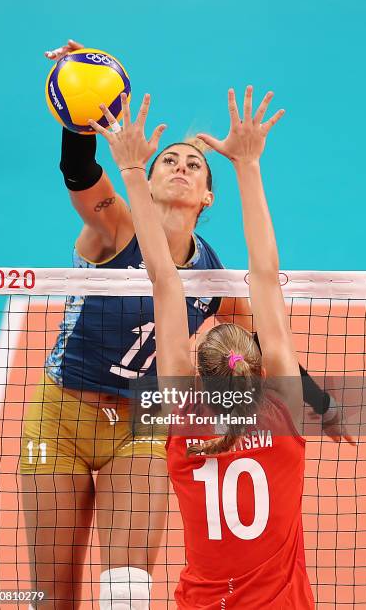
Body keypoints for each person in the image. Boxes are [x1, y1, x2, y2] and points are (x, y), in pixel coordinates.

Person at [20, 39, 351, 609]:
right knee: (53, 597)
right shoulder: (114, 227)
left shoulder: (213, 277)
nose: (179, 165)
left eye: (193, 163)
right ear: (145, 185)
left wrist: (319, 401)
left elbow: (263, 350)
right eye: (167, 159)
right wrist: (83, 104)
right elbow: (78, 169)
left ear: (207, 196)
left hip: (144, 420)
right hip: (63, 416)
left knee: (125, 594)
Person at [94, 85, 318, 608]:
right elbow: (265, 275)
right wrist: (248, 164)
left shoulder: (184, 421)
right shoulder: (281, 417)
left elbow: (165, 280)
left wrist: (131, 172)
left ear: (197, 371)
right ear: (260, 368)